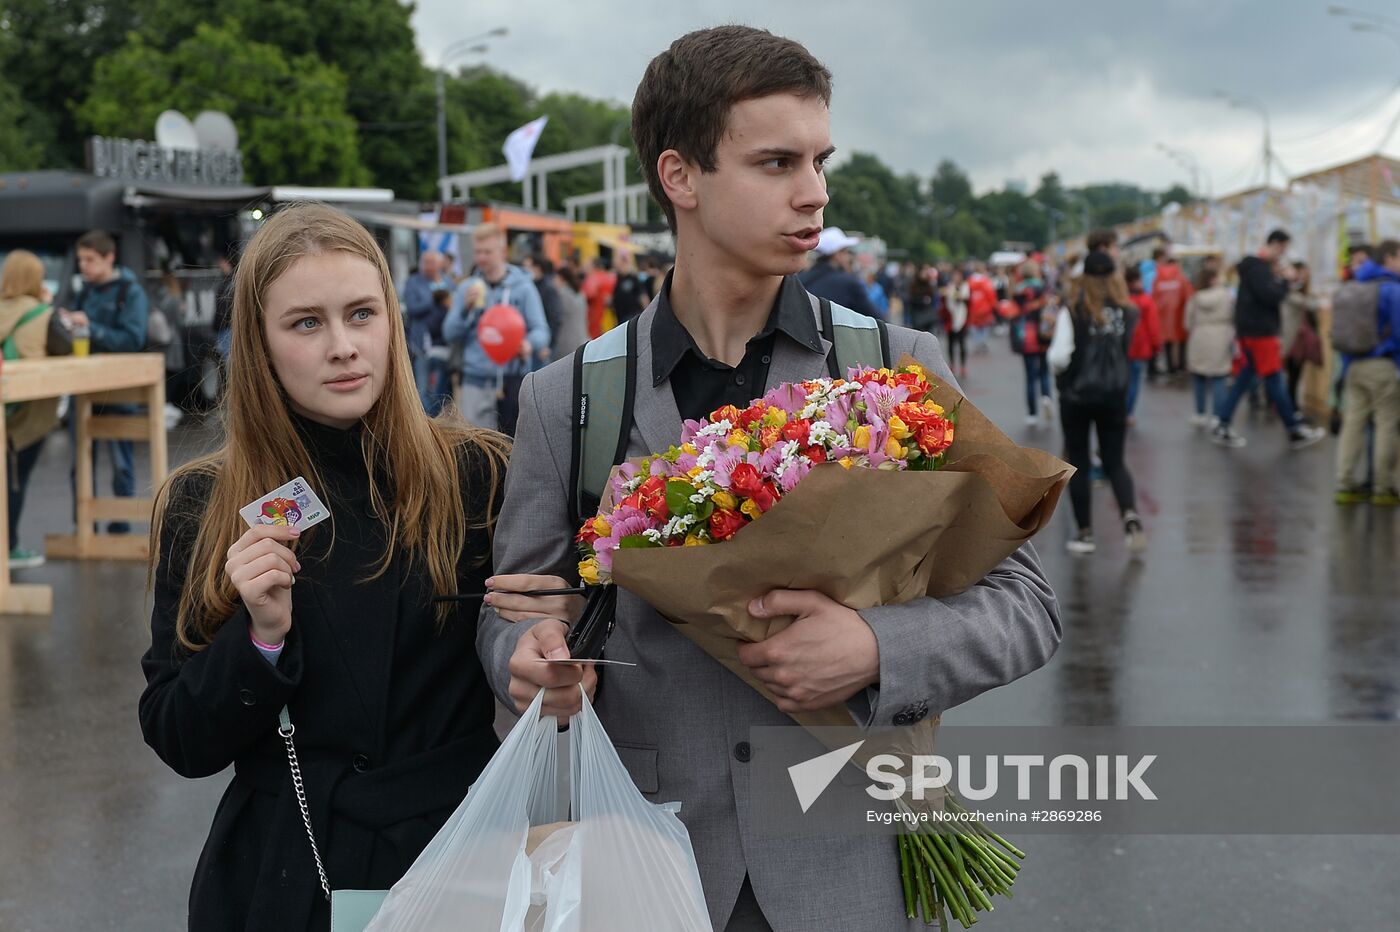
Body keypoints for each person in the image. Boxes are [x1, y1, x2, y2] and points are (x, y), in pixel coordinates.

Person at [477, 26, 1060, 932]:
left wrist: (876, 648)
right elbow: (516, 606)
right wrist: (522, 665)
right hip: (645, 863)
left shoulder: (895, 368)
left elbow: (1028, 606)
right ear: (682, 178)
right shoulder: (571, 399)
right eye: (778, 161)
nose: (815, 191)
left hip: (853, 865)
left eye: (821, 159)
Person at [138, 203, 511, 932]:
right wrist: (260, 639)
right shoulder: (204, 503)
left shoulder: (480, 473)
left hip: (458, 858)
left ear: (393, 322)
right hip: (286, 875)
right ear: (260, 344)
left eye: (362, 314)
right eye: (306, 323)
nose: (344, 346)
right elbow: (178, 734)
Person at [1047, 250, 1146, 554]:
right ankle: (1129, 514)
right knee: (1115, 460)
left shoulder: (1074, 309)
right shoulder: (1128, 310)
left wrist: (1061, 374)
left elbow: (1059, 356)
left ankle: (1085, 534)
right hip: (1114, 394)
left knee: (1079, 461)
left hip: (1077, 396)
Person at [62, 229, 149, 533]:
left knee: (120, 460)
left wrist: (92, 327)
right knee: (79, 462)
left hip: (118, 389)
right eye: (80, 260)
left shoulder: (130, 291)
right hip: (84, 387)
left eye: (90, 259)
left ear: (109, 257)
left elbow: (133, 339)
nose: (84, 266)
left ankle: (120, 522)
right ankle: (84, 526)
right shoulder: (84, 291)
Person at [1212, 229, 1326, 450]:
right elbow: (1271, 296)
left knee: (1246, 377)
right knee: (1274, 380)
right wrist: (1285, 280)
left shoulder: (1251, 268)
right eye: (1283, 247)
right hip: (1260, 333)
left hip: (1250, 332)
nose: (1283, 253)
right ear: (1275, 244)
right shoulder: (1260, 269)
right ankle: (1293, 429)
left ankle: (1223, 422)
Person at [443, 223, 551, 435]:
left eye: (487, 252)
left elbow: (541, 331)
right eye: (478, 252)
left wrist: (528, 344)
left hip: (512, 382)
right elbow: (449, 333)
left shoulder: (523, 287)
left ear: (502, 252)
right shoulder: (467, 287)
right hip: (475, 381)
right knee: (473, 448)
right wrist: (465, 309)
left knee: (511, 449)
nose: (481, 258)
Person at [0, 250, 61, 568]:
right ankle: (8, 547)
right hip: (29, 413)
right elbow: (65, 348)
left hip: (4, 408)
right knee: (15, 478)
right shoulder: (42, 312)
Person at [1334, 239, 1400, 505]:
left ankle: (1345, 483)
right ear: (1389, 258)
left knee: (1353, 424)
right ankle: (1383, 487)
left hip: (1353, 364)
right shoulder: (1392, 291)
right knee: (1387, 423)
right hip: (1382, 364)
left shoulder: (1356, 285)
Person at [402, 249, 453, 415]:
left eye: (433, 262)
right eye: (426, 262)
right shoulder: (414, 282)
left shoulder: (447, 281)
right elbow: (412, 308)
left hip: (445, 343)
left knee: (443, 389)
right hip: (422, 343)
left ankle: (441, 424)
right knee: (423, 388)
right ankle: (425, 424)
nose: (429, 266)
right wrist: (435, 298)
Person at [1184, 265, 1235, 428]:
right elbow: (1233, 315)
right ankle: (1217, 415)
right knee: (1219, 377)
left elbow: (1187, 322)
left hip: (1199, 336)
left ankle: (1200, 413)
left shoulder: (1195, 297)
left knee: (1199, 376)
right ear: (1213, 279)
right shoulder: (1226, 296)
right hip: (1220, 336)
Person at [798, 227, 881, 317]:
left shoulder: (800, 280)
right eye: (846, 252)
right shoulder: (849, 283)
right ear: (837, 254)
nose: (849, 257)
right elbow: (877, 320)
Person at [1013, 260, 1053, 425]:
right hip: (1042, 333)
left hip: (1025, 335)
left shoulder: (1019, 290)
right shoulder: (1043, 288)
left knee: (1029, 376)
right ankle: (1046, 396)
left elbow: (1013, 312)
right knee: (1044, 370)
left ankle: (1032, 414)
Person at [1281, 261, 1322, 407]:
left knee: (1293, 375)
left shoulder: (1296, 290)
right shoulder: (1289, 291)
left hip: (1296, 339)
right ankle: (1289, 407)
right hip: (1293, 339)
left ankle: (1290, 406)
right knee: (1291, 375)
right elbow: (1310, 304)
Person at [1123, 265, 1160, 423]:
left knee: (1124, 381)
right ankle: (1129, 413)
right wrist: (1156, 345)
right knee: (1135, 381)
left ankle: (1121, 410)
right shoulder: (1146, 300)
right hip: (1140, 346)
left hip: (1123, 346)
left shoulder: (1122, 300)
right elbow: (1153, 326)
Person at [1150, 245, 1192, 376]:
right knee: (1182, 340)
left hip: (1162, 316)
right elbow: (1189, 296)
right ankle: (1181, 365)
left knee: (1166, 340)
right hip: (1180, 314)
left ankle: (1170, 367)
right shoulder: (1181, 278)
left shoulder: (1158, 278)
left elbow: (1154, 296)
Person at [549, 260, 591, 358]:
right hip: (582, 338)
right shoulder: (580, 294)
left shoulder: (561, 294)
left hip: (566, 342)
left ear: (561, 278)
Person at [940, 265, 969, 379]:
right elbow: (946, 300)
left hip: (962, 317)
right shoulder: (949, 287)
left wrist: (959, 296)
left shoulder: (965, 286)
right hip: (951, 317)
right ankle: (952, 364)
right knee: (951, 342)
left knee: (962, 342)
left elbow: (966, 299)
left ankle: (962, 365)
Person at [580, 256, 616, 338]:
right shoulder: (609, 277)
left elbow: (587, 295)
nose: (584, 266)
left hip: (594, 321)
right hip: (608, 320)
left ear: (592, 266)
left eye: (586, 264)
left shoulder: (593, 278)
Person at [610, 249, 648, 325]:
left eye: (616, 259)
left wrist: (647, 316)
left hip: (632, 319)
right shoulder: (616, 278)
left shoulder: (633, 278)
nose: (613, 262)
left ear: (623, 261)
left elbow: (643, 298)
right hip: (620, 319)